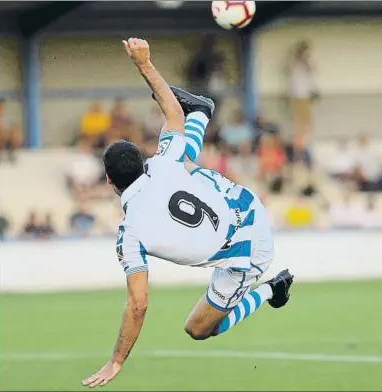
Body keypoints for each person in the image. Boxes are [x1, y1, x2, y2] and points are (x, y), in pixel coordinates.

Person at [82, 38, 293, 388]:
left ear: (108, 181)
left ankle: (274, 289)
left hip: (248, 249)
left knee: (198, 329)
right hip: (241, 200)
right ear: (143, 161)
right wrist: (143, 64)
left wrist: (116, 360)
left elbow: (138, 304)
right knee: (179, 152)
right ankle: (203, 111)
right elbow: (173, 114)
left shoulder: (129, 234)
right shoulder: (161, 164)